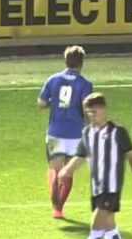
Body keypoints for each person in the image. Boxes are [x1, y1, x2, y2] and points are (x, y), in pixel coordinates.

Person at [60, 93, 132, 239]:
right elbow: (81, 156)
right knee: (108, 226)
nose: (92, 115)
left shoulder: (118, 132)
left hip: (111, 188)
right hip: (97, 188)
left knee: (96, 223)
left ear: (103, 109)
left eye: (95, 111)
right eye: (89, 112)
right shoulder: (87, 133)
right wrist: (67, 170)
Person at [39, 46, 94, 219]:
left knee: (54, 169)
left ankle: (53, 195)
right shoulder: (85, 84)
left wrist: (53, 103)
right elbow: (87, 108)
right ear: (81, 63)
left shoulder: (53, 79)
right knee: (68, 171)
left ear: (65, 61)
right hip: (75, 134)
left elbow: (41, 103)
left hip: (55, 131)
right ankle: (58, 209)